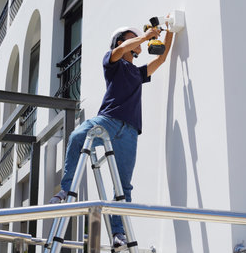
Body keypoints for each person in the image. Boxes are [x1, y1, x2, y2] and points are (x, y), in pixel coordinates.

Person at [50, 22, 174, 248]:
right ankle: (66, 189)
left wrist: (171, 31)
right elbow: (120, 51)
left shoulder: (137, 73)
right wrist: (145, 36)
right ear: (121, 42)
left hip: (130, 131)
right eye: (131, 38)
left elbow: (161, 60)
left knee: (123, 187)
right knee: (78, 135)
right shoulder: (112, 61)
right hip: (107, 121)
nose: (138, 41)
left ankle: (118, 233)